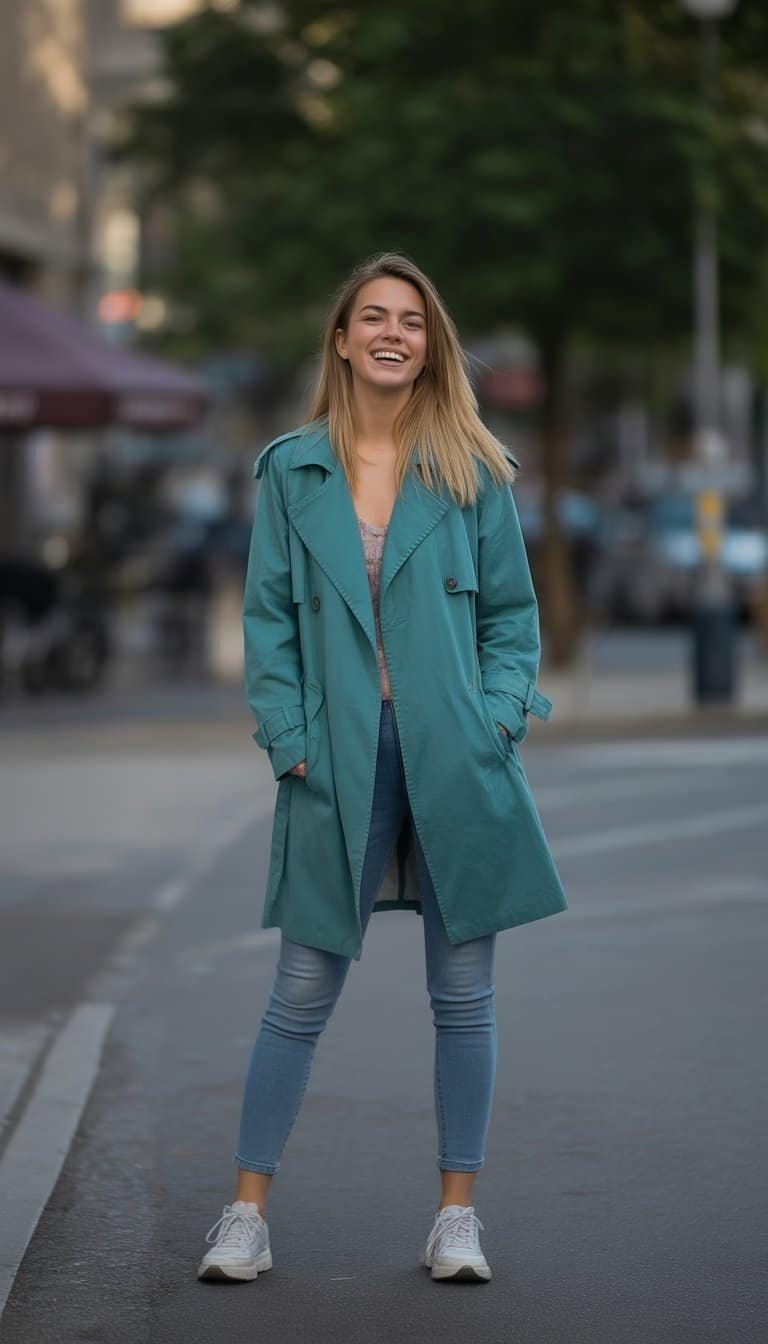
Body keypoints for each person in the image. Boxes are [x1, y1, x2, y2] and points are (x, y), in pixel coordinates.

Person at [197, 252, 568, 1285]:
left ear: (429, 342)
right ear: (343, 339)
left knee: (463, 994)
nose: (394, 332)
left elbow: (511, 619)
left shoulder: (473, 469)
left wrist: (498, 721)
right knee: (301, 986)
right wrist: (287, 735)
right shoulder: (291, 468)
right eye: (375, 317)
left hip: (456, 752)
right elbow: (267, 617)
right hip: (337, 755)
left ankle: (457, 1217)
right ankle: (245, 1214)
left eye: (412, 319)